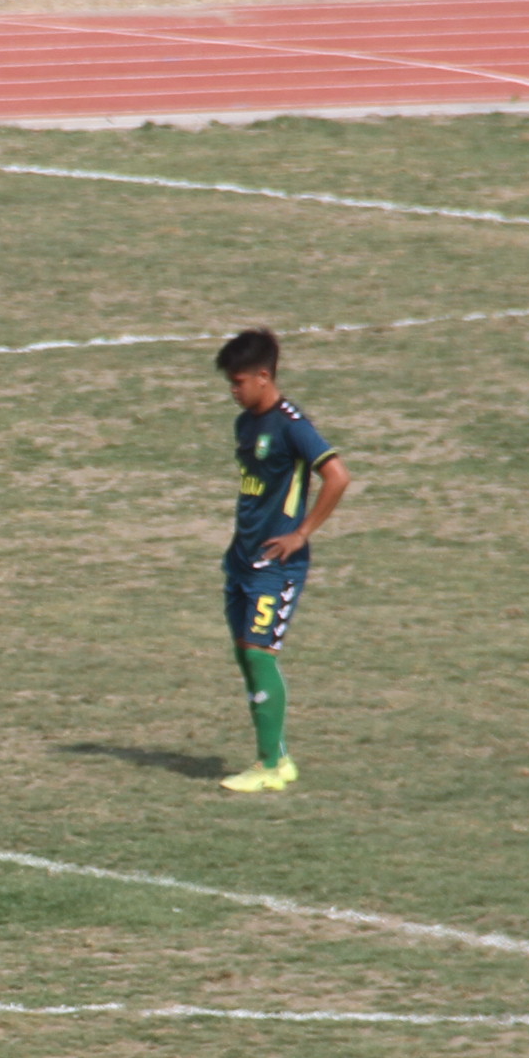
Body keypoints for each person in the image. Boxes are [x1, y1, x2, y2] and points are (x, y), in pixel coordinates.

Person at [213, 328, 353, 794]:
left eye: (238, 383)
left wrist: (301, 533)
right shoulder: (245, 424)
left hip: (276, 565)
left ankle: (270, 764)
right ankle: (278, 756)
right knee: (246, 656)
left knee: (259, 654)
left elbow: (337, 476)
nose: (232, 391)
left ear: (263, 376)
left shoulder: (293, 425)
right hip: (241, 559)